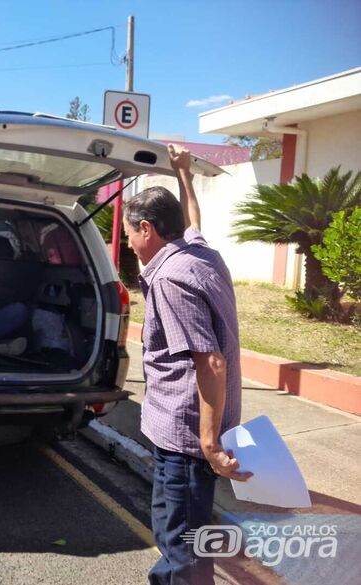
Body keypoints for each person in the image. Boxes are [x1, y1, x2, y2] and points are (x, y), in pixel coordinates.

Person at [122, 145, 252, 585]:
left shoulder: (171, 277)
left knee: (181, 543)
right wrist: (184, 175)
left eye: (128, 234)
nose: (126, 243)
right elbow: (192, 222)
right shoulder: (197, 253)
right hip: (183, 433)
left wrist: (210, 445)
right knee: (184, 535)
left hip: (185, 438)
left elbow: (210, 362)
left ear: (147, 229)